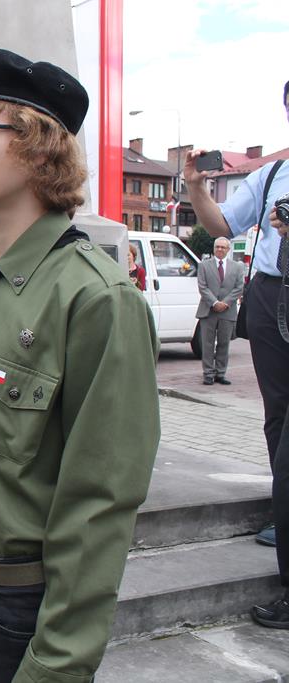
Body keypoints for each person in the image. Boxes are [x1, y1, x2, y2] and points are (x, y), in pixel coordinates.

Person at [0, 47, 160, 682]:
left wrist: (58, 665)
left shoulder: (97, 299)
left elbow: (100, 502)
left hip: (19, 612)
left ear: (38, 144)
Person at [183, 78, 289, 628]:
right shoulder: (271, 174)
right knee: (278, 420)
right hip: (272, 296)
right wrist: (196, 188)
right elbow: (223, 225)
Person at [195, 237, 244, 385]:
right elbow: (202, 287)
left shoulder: (237, 267)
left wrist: (225, 303)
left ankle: (220, 373)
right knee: (207, 344)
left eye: (223, 247)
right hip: (208, 310)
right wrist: (215, 302)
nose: (220, 249)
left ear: (228, 249)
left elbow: (239, 287)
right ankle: (208, 374)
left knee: (224, 343)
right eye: (217, 247)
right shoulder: (203, 265)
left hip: (227, 311)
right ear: (214, 248)